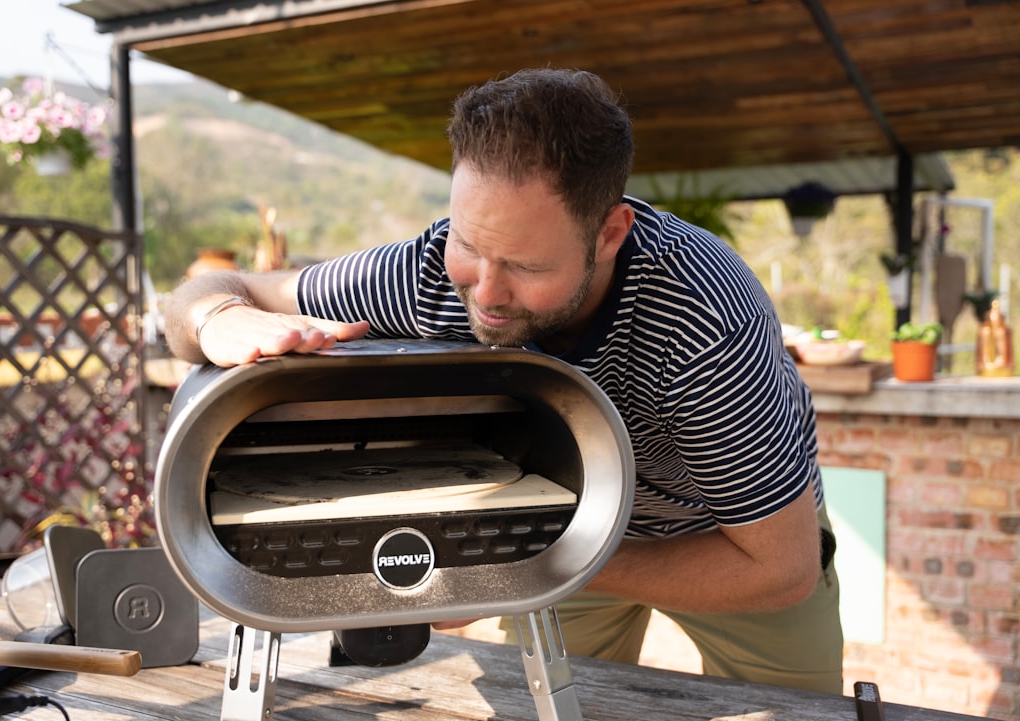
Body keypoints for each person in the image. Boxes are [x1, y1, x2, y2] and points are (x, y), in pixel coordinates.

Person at [164, 67, 843, 693]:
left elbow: (780, 568)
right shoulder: (432, 274)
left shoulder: (703, 318)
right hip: (560, 528)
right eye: (470, 243)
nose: (485, 292)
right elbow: (211, 288)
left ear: (609, 233)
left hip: (727, 540)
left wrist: (522, 559)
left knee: (793, 711)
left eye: (525, 264)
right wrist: (216, 316)